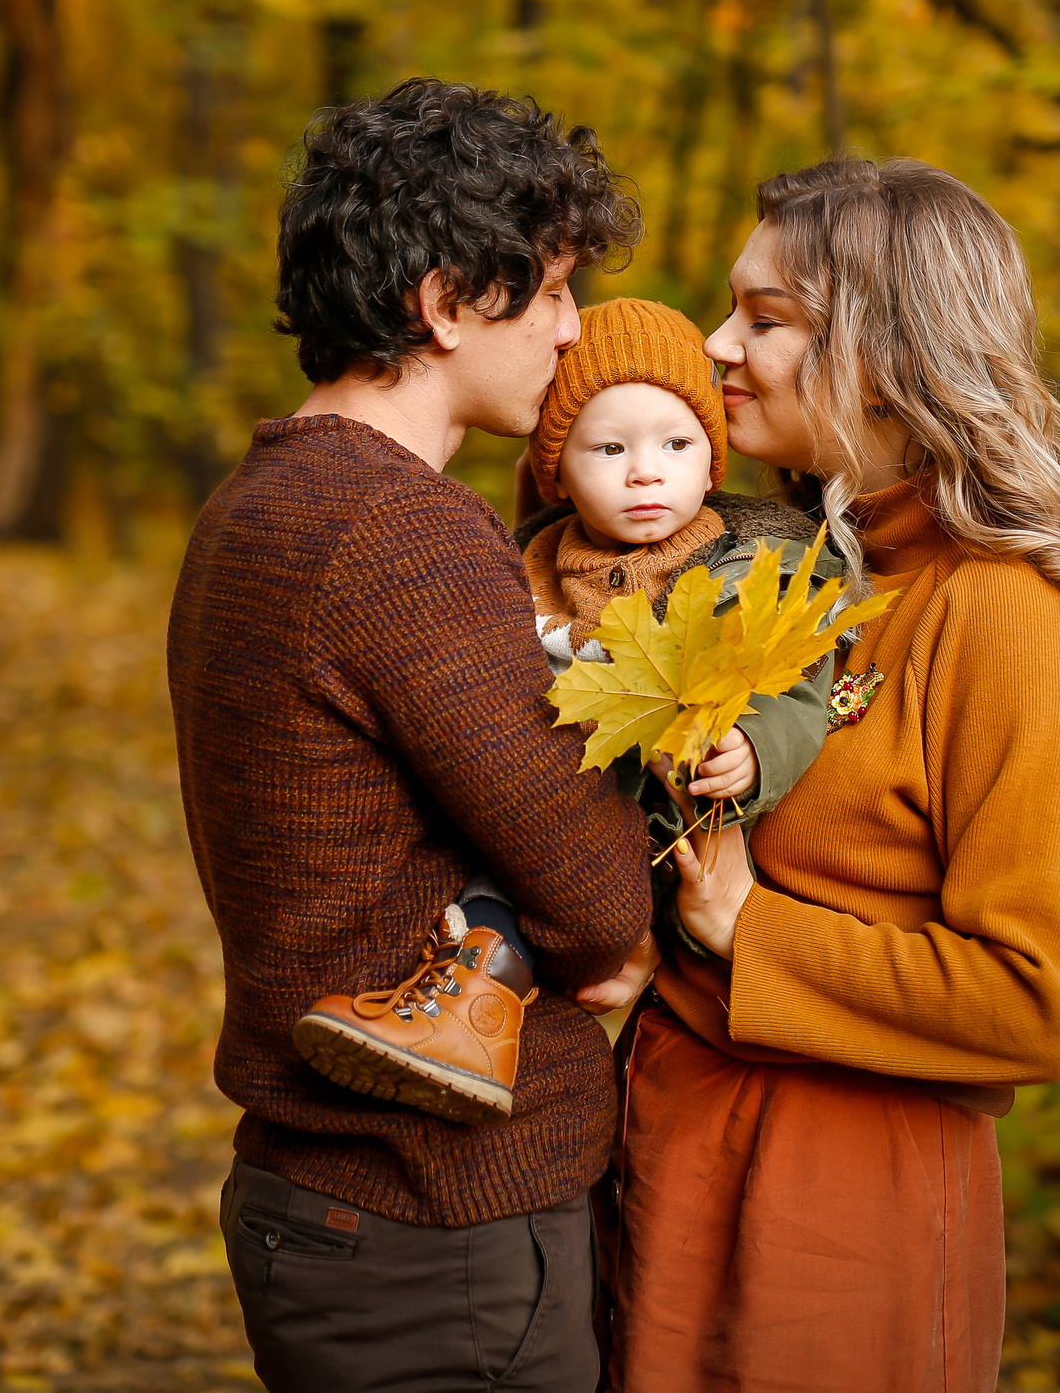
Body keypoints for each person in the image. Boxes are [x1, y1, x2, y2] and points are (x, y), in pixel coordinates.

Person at [604, 158, 1060, 1393]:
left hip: (834, 1210)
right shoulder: (783, 569)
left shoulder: (1007, 618)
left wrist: (755, 934)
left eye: (767, 318)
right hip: (668, 1159)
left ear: (892, 354)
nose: (713, 342)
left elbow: (1040, 1000)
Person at [169, 79, 655, 1393]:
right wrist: (605, 928)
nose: (571, 330)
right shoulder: (399, 534)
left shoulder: (264, 499)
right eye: (549, 290)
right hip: (436, 1224)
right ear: (445, 302)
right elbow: (599, 886)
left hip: (337, 1205)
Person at [291, 298, 844, 1122]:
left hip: (665, 818)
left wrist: (756, 749)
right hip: (539, 791)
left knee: (545, 868)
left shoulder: (750, 565)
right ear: (558, 468)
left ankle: (472, 1006)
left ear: (712, 460)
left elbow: (800, 691)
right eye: (609, 448)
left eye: (676, 445)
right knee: (488, 869)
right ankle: (464, 1007)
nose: (645, 471)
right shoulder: (525, 558)